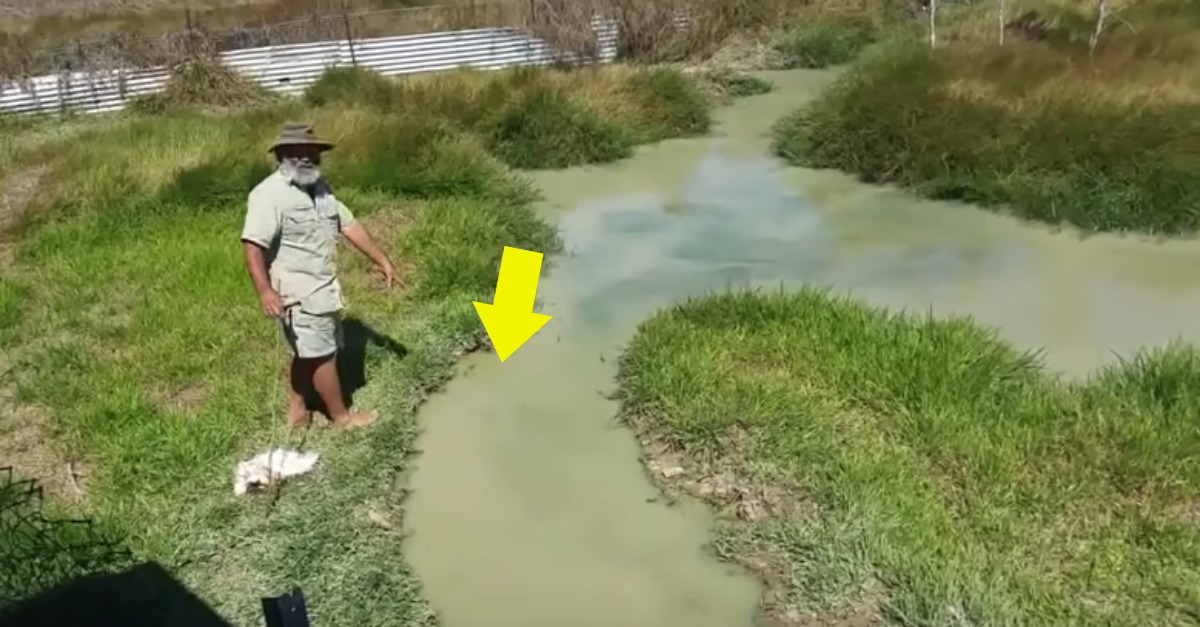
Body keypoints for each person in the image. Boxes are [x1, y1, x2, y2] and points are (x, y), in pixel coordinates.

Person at [240, 122, 395, 429]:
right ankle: (342, 418)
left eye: (312, 152)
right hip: (298, 293)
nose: (308, 158)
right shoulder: (268, 195)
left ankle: (297, 409)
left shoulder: (320, 186)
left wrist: (382, 260)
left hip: (324, 286)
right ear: (282, 156)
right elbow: (252, 245)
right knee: (323, 354)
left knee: (308, 352)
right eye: (298, 153)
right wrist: (265, 292)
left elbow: (347, 224)